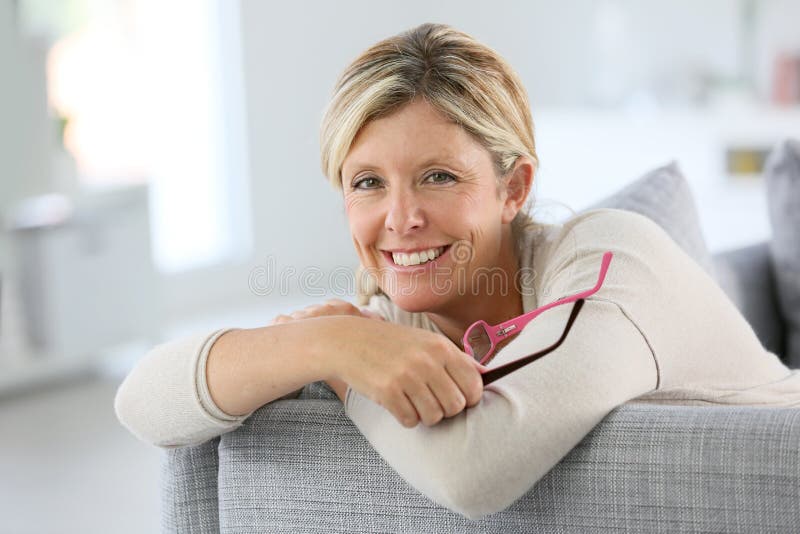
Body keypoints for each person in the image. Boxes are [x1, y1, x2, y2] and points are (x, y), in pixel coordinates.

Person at [114, 23, 800, 519]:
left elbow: (477, 473)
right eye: (367, 184)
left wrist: (344, 366)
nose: (401, 217)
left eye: (438, 176)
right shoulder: (384, 333)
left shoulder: (616, 259)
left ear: (514, 187)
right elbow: (143, 401)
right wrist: (324, 343)